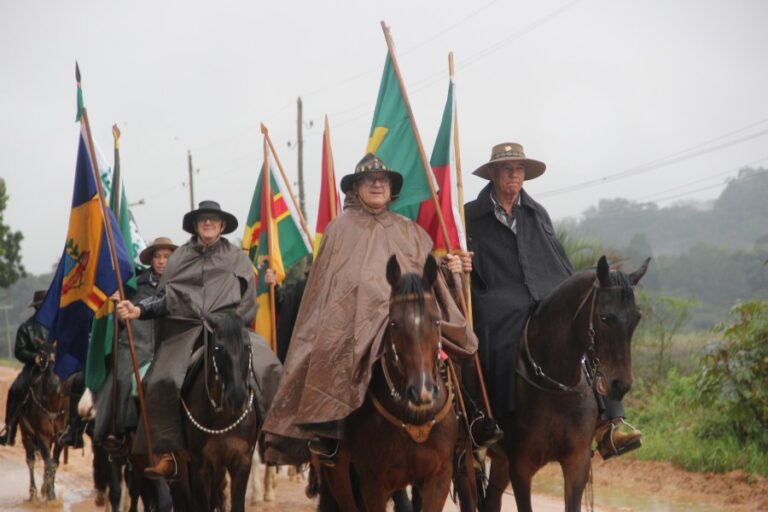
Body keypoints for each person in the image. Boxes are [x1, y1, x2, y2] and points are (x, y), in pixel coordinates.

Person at [262, 153, 494, 465]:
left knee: (454, 342)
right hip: (352, 323)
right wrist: (370, 303)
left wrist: (451, 267)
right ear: (355, 188)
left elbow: (428, 276)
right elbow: (332, 289)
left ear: (390, 188)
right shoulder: (339, 229)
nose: (376, 184)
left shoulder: (409, 230)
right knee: (333, 347)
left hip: (408, 317)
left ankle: (471, 419)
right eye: (368, 180)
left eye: (382, 180)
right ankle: (330, 430)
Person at [465, 142, 641, 459]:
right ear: (492, 173)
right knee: (492, 335)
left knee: (584, 327)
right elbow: (456, 257)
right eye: (506, 169)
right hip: (496, 294)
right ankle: (484, 417)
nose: (513, 175)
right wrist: (459, 262)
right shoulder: (471, 216)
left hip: (544, 289)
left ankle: (609, 420)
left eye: (518, 169)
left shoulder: (536, 213)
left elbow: (556, 261)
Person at [116, 200, 257, 479]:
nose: (207, 223)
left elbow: (249, 301)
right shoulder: (179, 258)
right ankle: (168, 453)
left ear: (222, 225)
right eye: (202, 219)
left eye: (213, 219)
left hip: (229, 330)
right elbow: (166, 299)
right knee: (157, 380)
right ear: (195, 225)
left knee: (270, 368)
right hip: (186, 330)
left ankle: (273, 441)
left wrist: (232, 323)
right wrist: (139, 310)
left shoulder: (238, 258)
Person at [91, 237, 177, 451]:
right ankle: (116, 430)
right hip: (136, 345)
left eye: (167, 256)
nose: (162, 261)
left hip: (169, 346)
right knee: (120, 377)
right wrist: (118, 307)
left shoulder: (181, 284)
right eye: (157, 256)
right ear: (151, 260)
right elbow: (120, 319)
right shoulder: (135, 285)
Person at [0, 290, 49, 446]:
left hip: (55, 366)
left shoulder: (59, 325)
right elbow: (19, 351)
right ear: (36, 307)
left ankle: (74, 430)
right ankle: (10, 430)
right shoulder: (26, 327)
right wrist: (35, 357)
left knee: (73, 386)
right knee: (15, 389)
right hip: (33, 367)